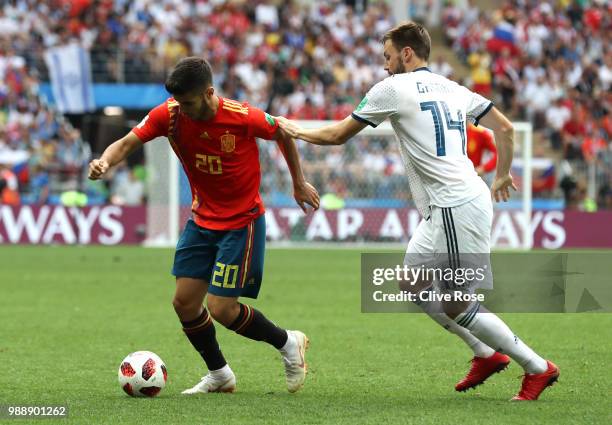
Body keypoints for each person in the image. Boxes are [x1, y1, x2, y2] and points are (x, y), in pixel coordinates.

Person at [277, 22, 558, 401]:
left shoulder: (391, 88)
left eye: (388, 57)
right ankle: (485, 353)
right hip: (449, 204)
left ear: (406, 53)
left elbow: (336, 135)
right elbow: (505, 129)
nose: (384, 65)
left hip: (454, 203)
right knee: (412, 282)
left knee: (458, 301)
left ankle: (538, 367)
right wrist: (502, 174)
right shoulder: (452, 87)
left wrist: (289, 128)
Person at [89, 57, 320, 394]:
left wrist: (297, 182)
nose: (181, 109)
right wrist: (104, 161)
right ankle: (220, 374)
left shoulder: (242, 116)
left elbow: (283, 133)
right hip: (202, 220)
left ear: (209, 92)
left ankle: (287, 343)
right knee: (184, 302)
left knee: (221, 308)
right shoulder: (168, 115)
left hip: (241, 222)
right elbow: (125, 143)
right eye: (178, 103)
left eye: (188, 103)